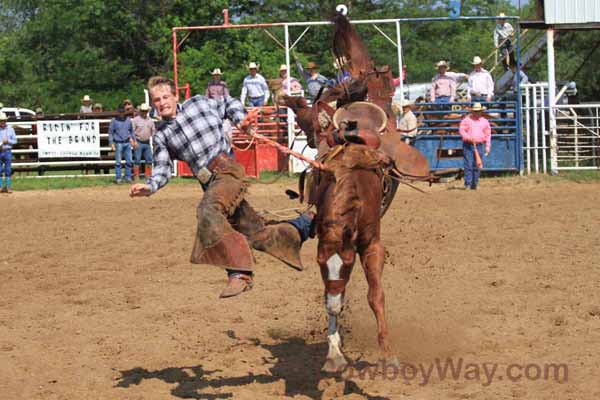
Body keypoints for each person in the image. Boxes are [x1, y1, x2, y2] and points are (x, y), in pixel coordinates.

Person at [129, 76, 313, 298]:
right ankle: (306, 224)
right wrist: (150, 187)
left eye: (165, 96)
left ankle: (239, 273)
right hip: (210, 183)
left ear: (175, 96)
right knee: (257, 234)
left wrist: (241, 119)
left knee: (208, 210)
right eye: (157, 100)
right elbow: (162, 168)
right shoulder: (161, 136)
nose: (162, 102)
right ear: (153, 103)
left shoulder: (198, 103)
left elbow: (228, 103)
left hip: (227, 171)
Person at [459, 102, 491, 190]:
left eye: (478, 111)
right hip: (468, 145)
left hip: (479, 145)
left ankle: (474, 183)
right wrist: (468, 137)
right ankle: (468, 184)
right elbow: (462, 130)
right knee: (468, 165)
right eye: (475, 111)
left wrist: (488, 146)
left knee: (477, 165)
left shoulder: (484, 121)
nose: (477, 113)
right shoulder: (467, 120)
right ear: (473, 111)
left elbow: (488, 134)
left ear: (481, 112)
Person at [108, 105, 136, 183]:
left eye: (122, 112)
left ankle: (128, 177)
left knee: (129, 161)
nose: (121, 113)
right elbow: (110, 132)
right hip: (118, 142)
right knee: (118, 162)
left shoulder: (128, 120)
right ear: (118, 112)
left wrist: (134, 140)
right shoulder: (114, 120)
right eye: (120, 112)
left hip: (127, 142)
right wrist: (111, 143)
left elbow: (131, 131)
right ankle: (118, 178)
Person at [131, 103, 155, 180]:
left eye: (145, 111)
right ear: (140, 111)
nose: (144, 112)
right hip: (138, 141)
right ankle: (136, 176)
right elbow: (131, 132)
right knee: (137, 159)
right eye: (143, 110)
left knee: (149, 159)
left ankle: (148, 175)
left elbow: (153, 132)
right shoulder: (135, 120)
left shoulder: (150, 121)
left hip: (147, 142)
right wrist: (133, 141)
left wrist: (154, 142)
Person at [0, 112, 17, 193]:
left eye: (3, 120)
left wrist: (8, 141)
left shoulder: (11, 129)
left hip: (7, 151)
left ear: (6, 121)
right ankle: (0, 187)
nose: (2, 122)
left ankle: (8, 187)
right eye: (1, 121)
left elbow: (15, 141)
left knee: (8, 170)